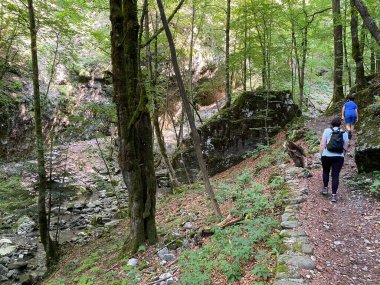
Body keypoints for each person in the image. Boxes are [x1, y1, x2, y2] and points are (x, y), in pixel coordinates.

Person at [319, 117, 349, 203]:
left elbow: (322, 143)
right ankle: (334, 196)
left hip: (326, 155)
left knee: (325, 171)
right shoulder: (344, 133)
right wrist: (343, 154)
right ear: (340, 124)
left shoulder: (327, 131)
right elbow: (346, 145)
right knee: (335, 175)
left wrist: (321, 153)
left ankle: (325, 188)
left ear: (332, 124)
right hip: (339, 157)